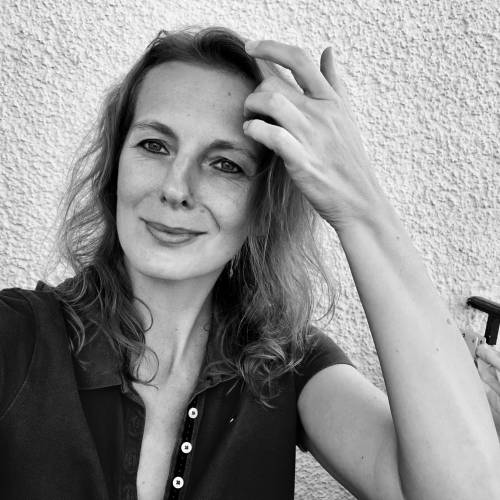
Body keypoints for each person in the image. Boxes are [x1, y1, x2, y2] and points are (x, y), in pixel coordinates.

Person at [1, 26, 499, 500]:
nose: (175, 188)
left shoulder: (290, 365)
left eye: (226, 164)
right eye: (155, 145)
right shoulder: (16, 335)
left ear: (263, 206)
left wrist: (359, 205)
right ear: (115, 169)